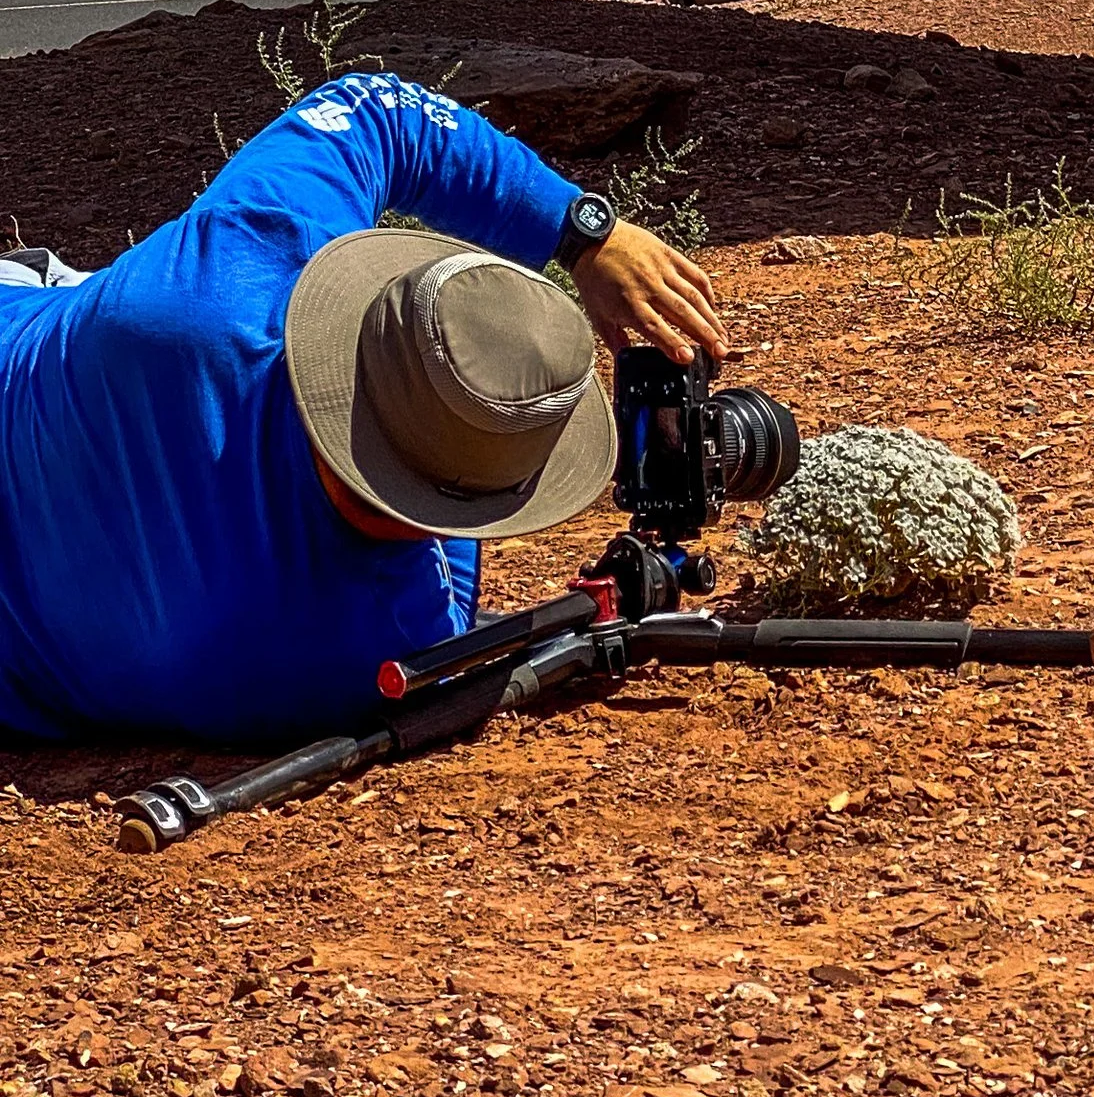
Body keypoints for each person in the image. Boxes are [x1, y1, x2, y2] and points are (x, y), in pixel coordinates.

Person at [0, 69, 723, 746]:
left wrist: (585, 234)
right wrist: (484, 441)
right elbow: (450, 549)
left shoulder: (230, 268)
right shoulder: (379, 644)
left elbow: (377, 112)